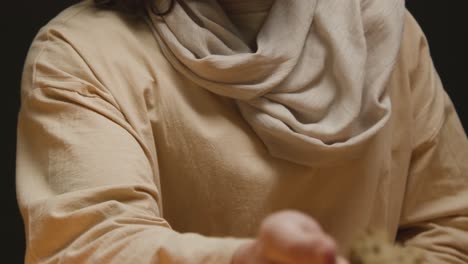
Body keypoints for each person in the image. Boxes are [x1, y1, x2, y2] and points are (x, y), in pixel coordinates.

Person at [16, 0, 468, 263]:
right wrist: (249, 259)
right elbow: (91, 246)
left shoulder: (389, 31)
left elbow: (452, 230)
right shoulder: (85, 52)